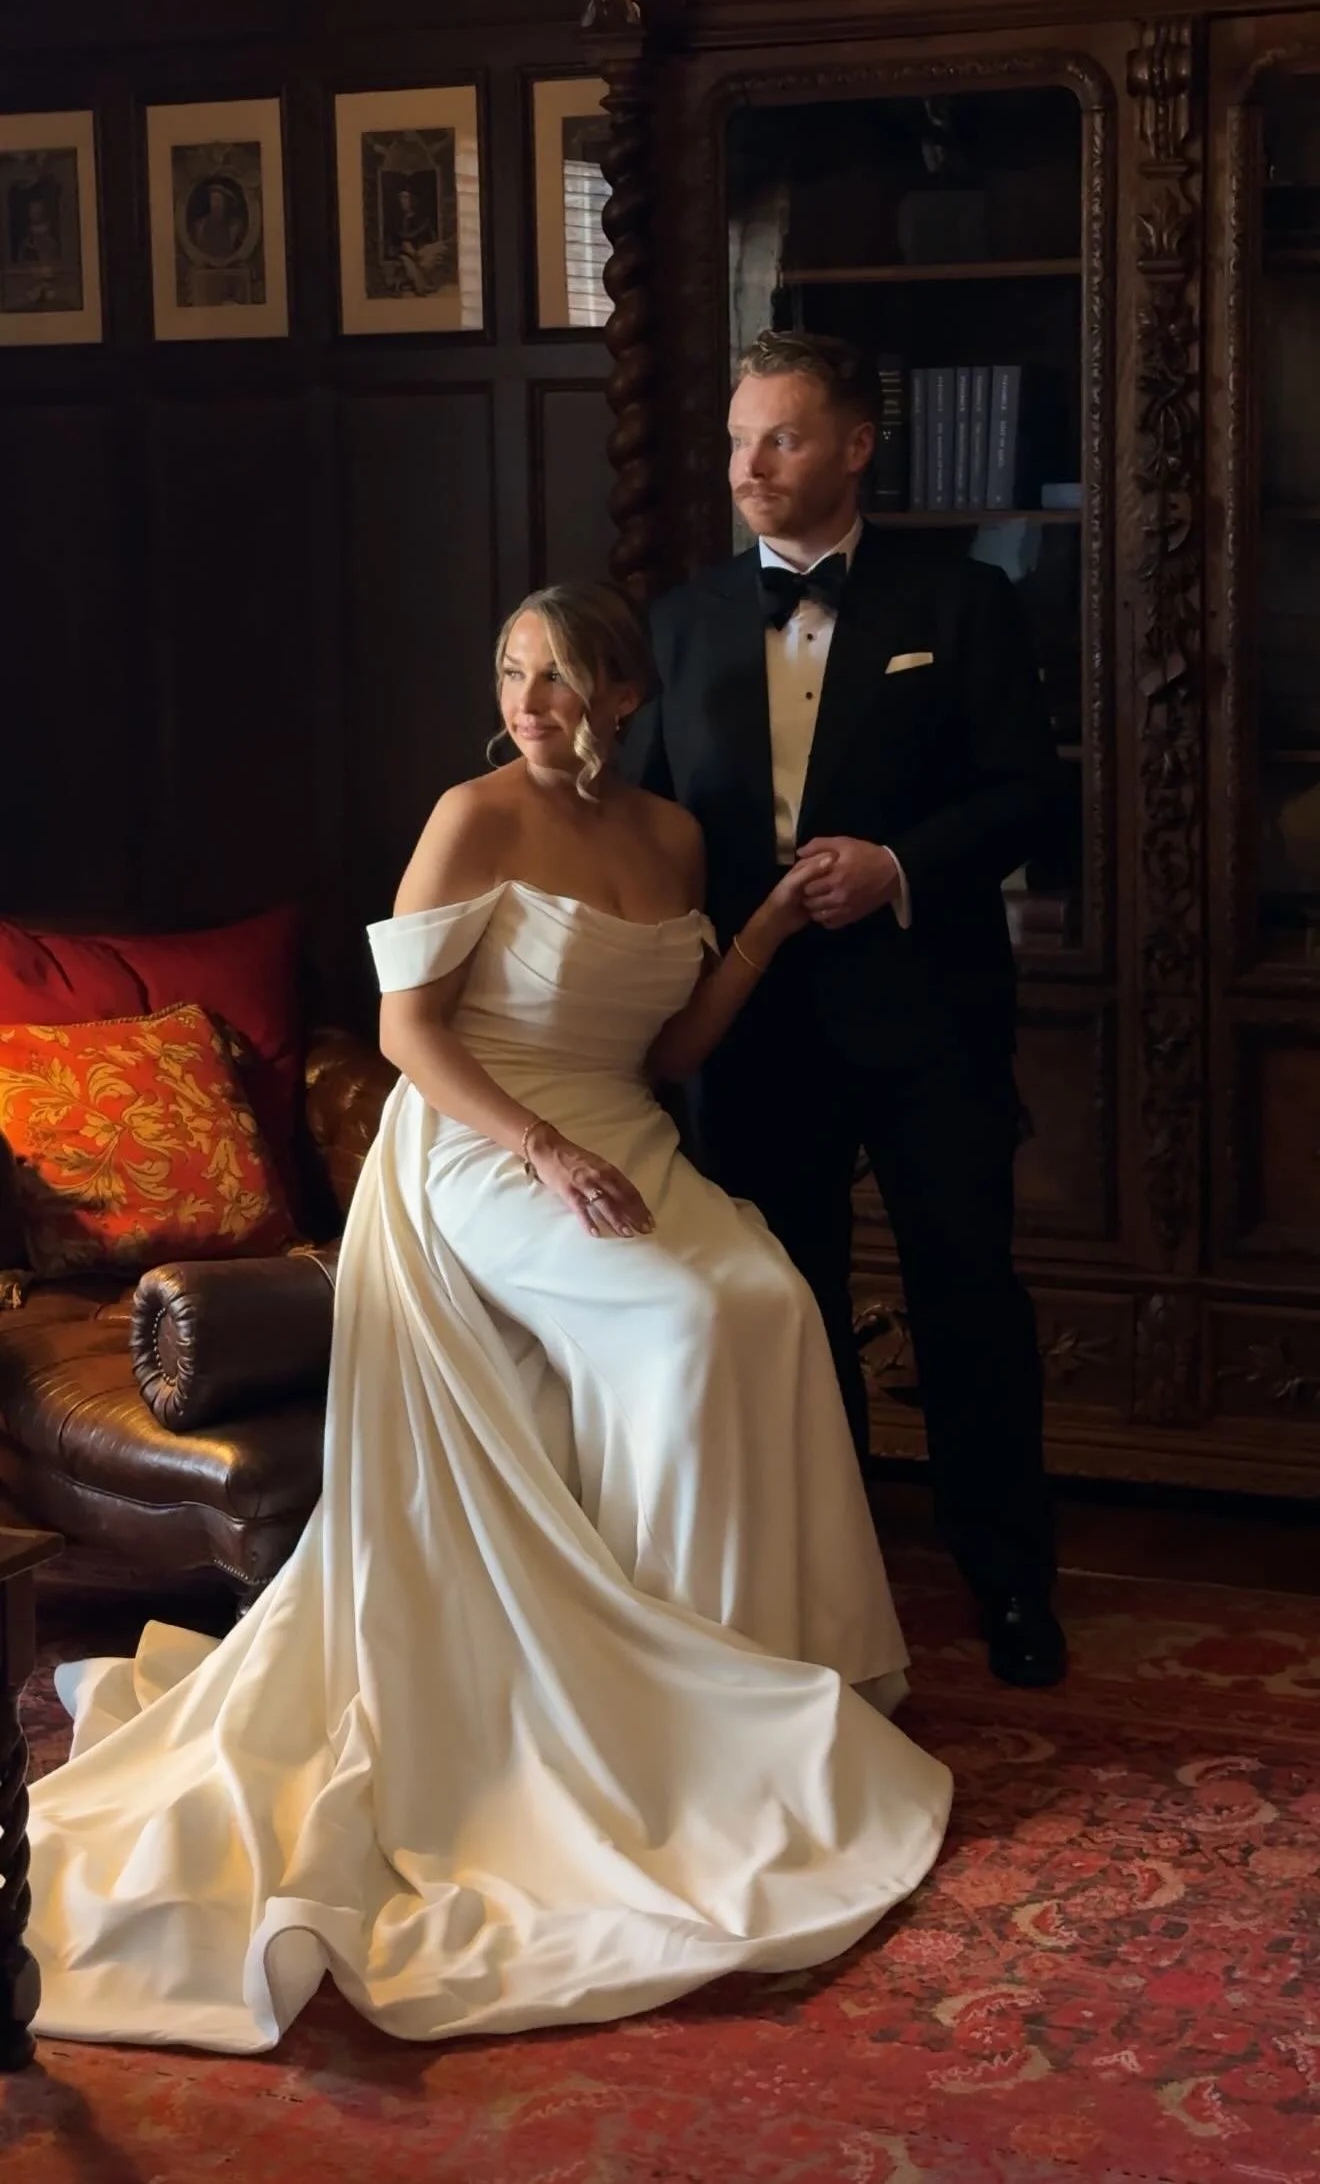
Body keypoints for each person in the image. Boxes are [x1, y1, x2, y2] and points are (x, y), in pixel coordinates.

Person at [20, 580, 951, 2054]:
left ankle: (769, 1676)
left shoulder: (671, 838)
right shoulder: (473, 814)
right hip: (477, 1148)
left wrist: (764, 927)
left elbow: (679, 1040)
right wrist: (542, 1150)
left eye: (565, 681)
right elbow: (405, 1034)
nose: (534, 704)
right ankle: (674, 1723)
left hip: (617, 1133)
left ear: (625, 701)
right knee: (687, 1326)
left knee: (765, 1298)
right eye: (516, 675)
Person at [626, 330, 1067, 1689]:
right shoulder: (683, 620)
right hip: (749, 1033)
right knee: (790, 1312)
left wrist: (898, 866)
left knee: (966, 1296)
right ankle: (828, 1593)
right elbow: (642, 820)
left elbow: (1029, 797)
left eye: (786, 439)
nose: (752, 468)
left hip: (929, 1013)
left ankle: (1010, 1587)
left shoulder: (967, 601)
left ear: (858, 446)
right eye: (741, 440)